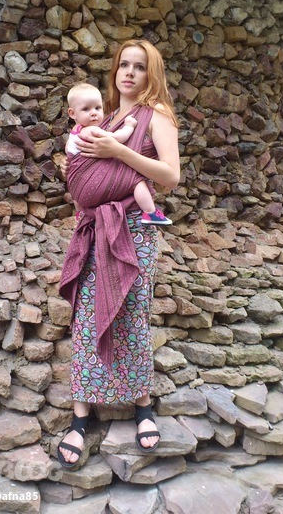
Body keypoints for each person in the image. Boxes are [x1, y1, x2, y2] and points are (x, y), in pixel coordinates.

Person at [58, 39, 180, 468]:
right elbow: (89, 168)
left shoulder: (157, 115)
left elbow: (171, 175)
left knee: (130, 312)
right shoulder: (105, 117)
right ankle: (80, 417)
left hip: (133, 230)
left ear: (152, 73)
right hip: (95, 228)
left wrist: (119, 151)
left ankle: (142, 406)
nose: (129, 72)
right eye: (123, 64)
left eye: (139, 66)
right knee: (87, 315)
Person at [65, 82, 172, 225]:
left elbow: (70, 154)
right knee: (135, 180)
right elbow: (116, 139)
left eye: (98, 108)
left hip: (76, 190)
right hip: (90, 187)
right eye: (86, 109)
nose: (93, 113)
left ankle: (79, 213)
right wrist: (129, 126)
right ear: (72, 113)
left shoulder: (74, 132)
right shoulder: (92, 130)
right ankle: (150, 213)